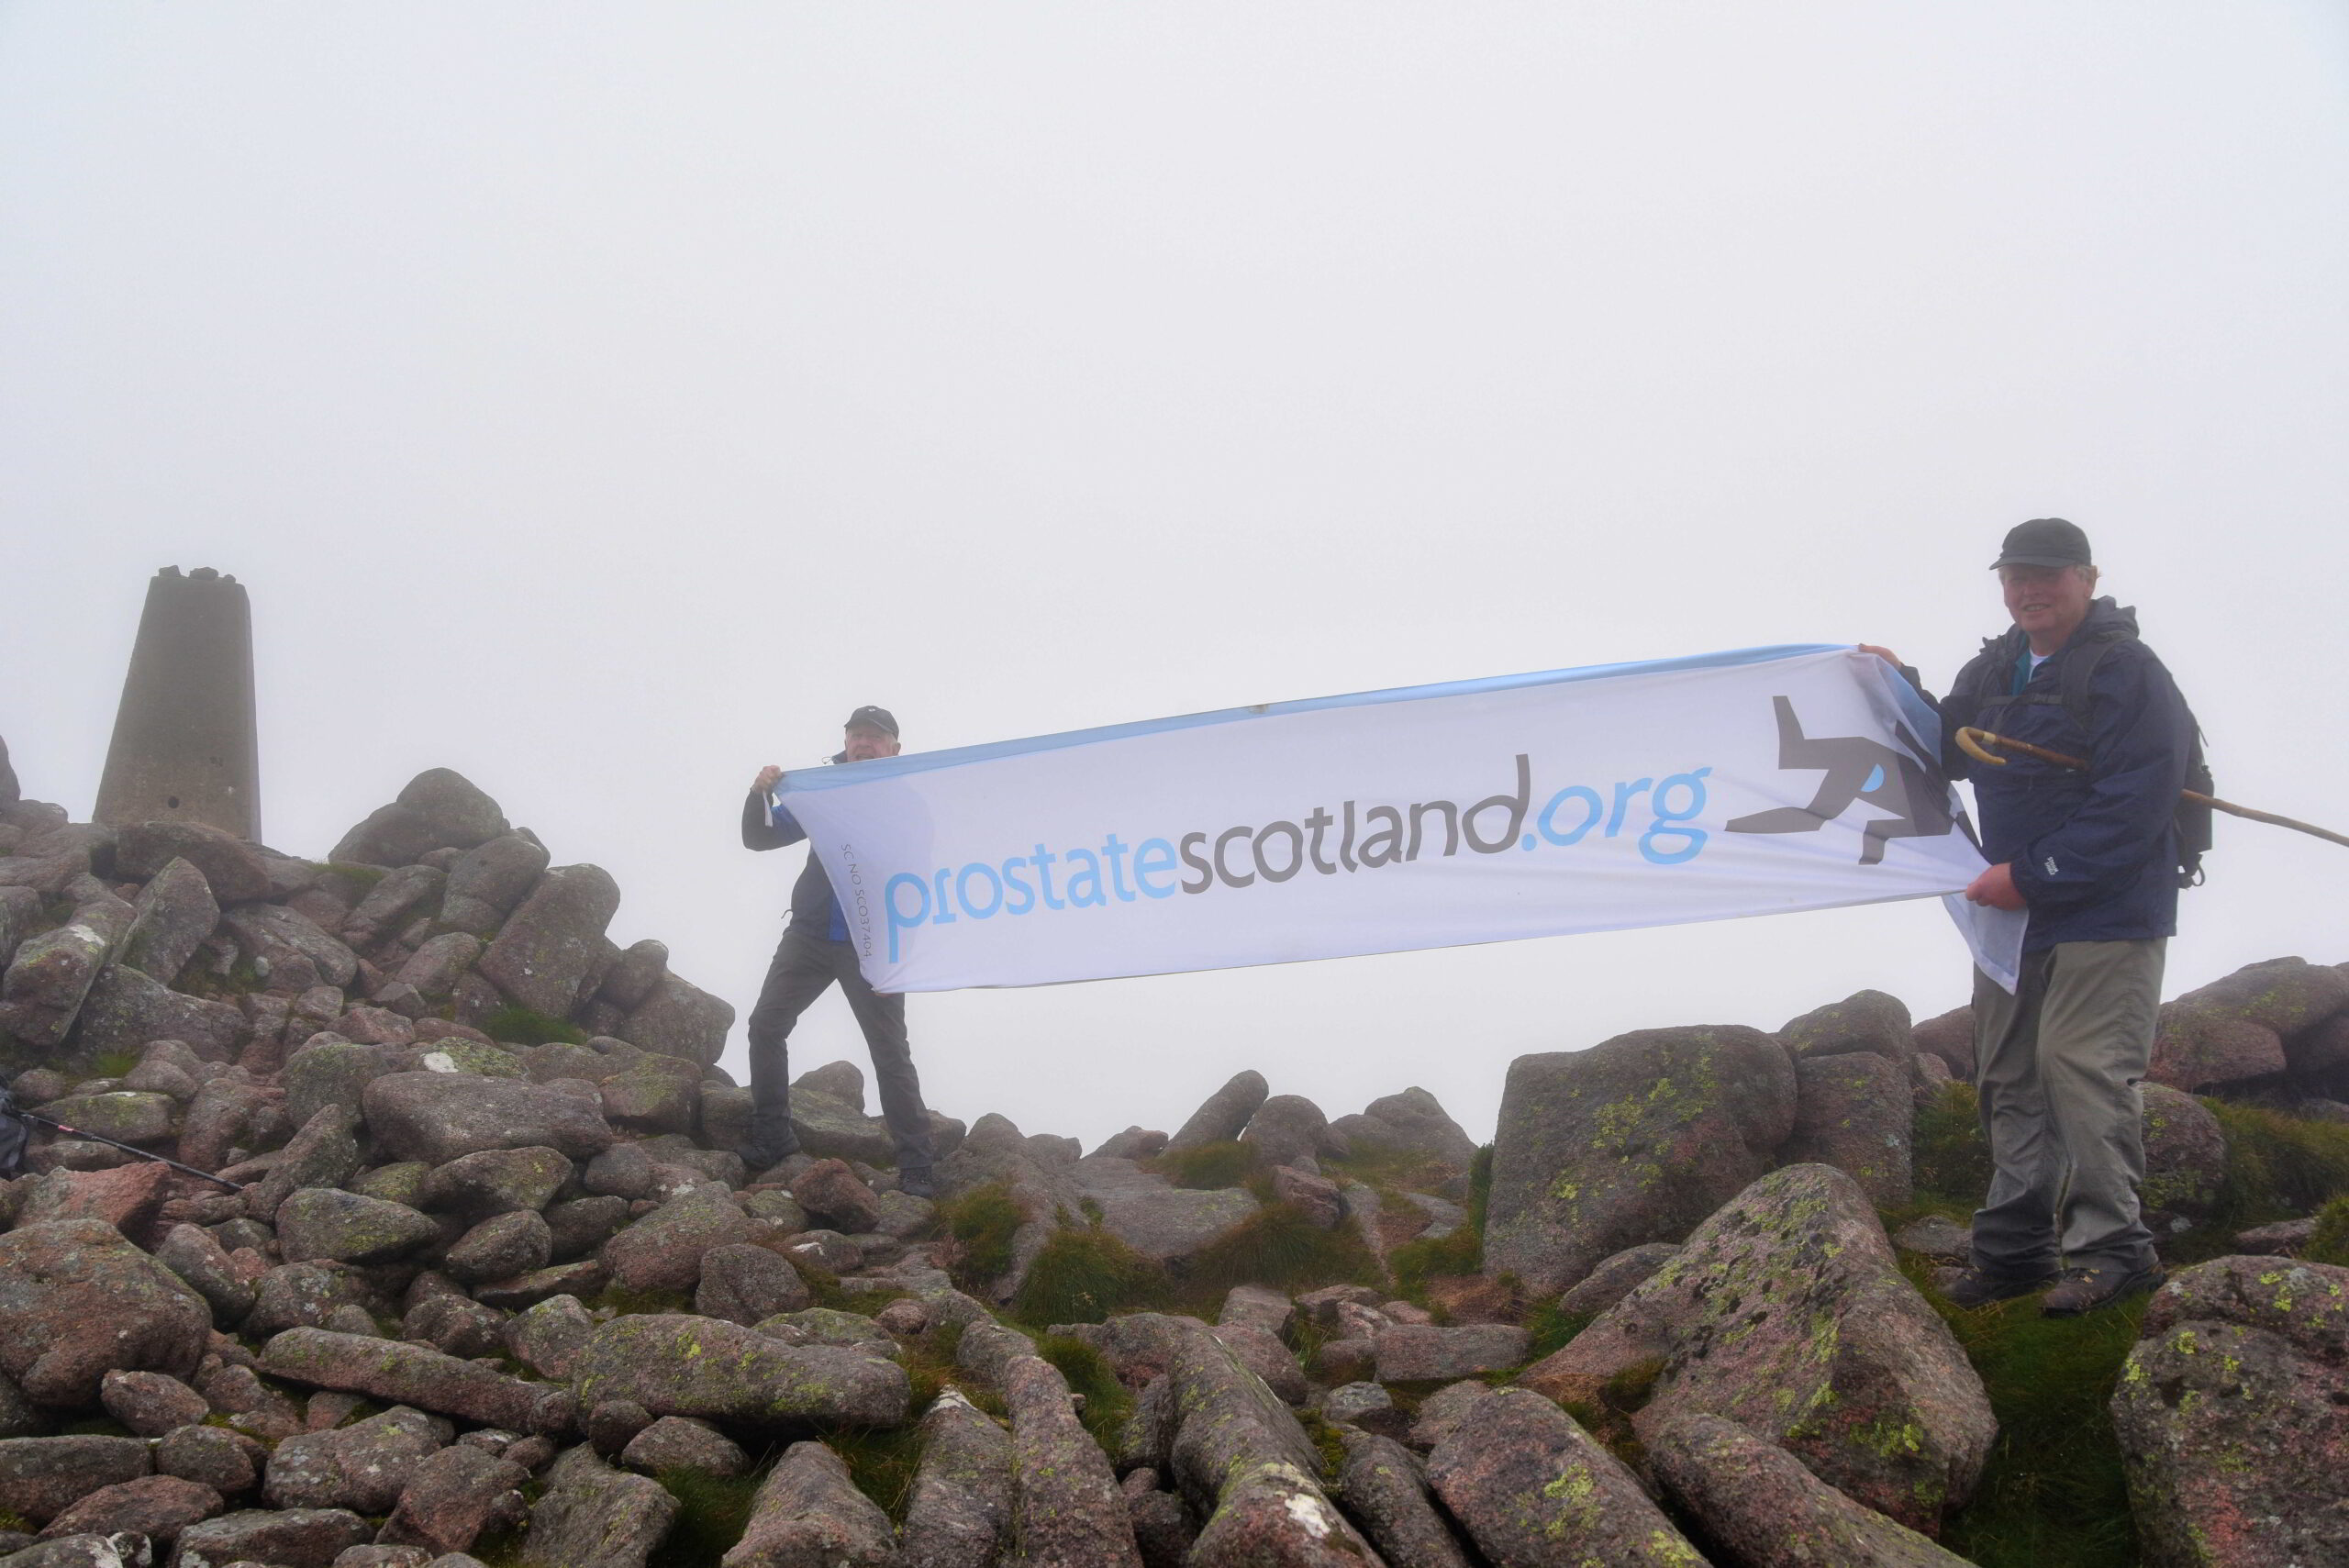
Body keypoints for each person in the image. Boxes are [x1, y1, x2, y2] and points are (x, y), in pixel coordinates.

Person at [1876, 517, 2194, 1316]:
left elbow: (2139, 801)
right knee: (2010, 1071)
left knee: (2080, 1066)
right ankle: (2016, 1251)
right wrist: (1891, 684)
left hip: (2107, 907)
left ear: (2087, 577)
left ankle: (2115, 1251)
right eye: (2015, 575)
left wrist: (2032, 874)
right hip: (2016, 916)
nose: (2028, 589)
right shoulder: (1995, 666)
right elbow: (1947, 746)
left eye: (2046, 574)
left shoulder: (2127, 671)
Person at [736, 705, 938, 1196]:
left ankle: (916, 1166)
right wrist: (758, 793)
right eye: (856, 735)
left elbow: (913, 885)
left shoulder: (909, 805)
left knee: (889, 1053)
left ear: (895, 748)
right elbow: (759, 838)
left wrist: (898, 957)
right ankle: (773, 1138)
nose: (863, 743)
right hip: (807, 936)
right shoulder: (821, 793)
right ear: (845, 741)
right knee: (765, 1026)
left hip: (871, 943)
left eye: (875, 737)